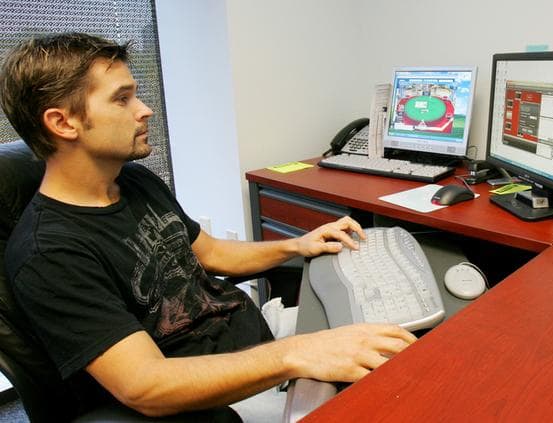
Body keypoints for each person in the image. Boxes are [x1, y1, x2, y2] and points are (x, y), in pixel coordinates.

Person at [0, 32, 416, 418]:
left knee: (411, 339)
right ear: (63, 123)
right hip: (220, 399)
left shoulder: (133, 181)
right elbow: (144, 385)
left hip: (261, 340)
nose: (144, 110)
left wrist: (298, 246)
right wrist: (299, 353)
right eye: (122, 99)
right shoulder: (49, 253)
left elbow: (211, 253)